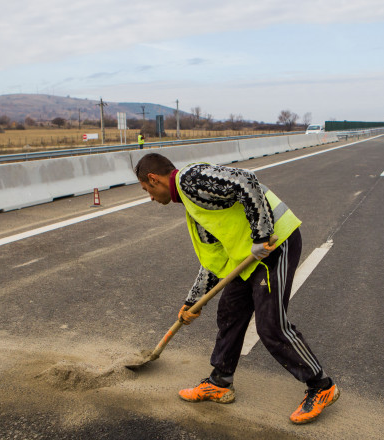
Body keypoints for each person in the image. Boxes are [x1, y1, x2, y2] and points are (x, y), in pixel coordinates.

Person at [134, 153, 338, 424]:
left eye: (147, 190)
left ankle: (321, 387)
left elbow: (246, 181)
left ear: (153, 178)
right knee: (230, 312)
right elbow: (215, 259)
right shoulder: (192, 206)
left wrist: (261, 234)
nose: (149, 196)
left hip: (274, 245)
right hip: (248, 256)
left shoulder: (190, 179)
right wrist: (193, 300)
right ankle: (220, 382)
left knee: (271, 326)